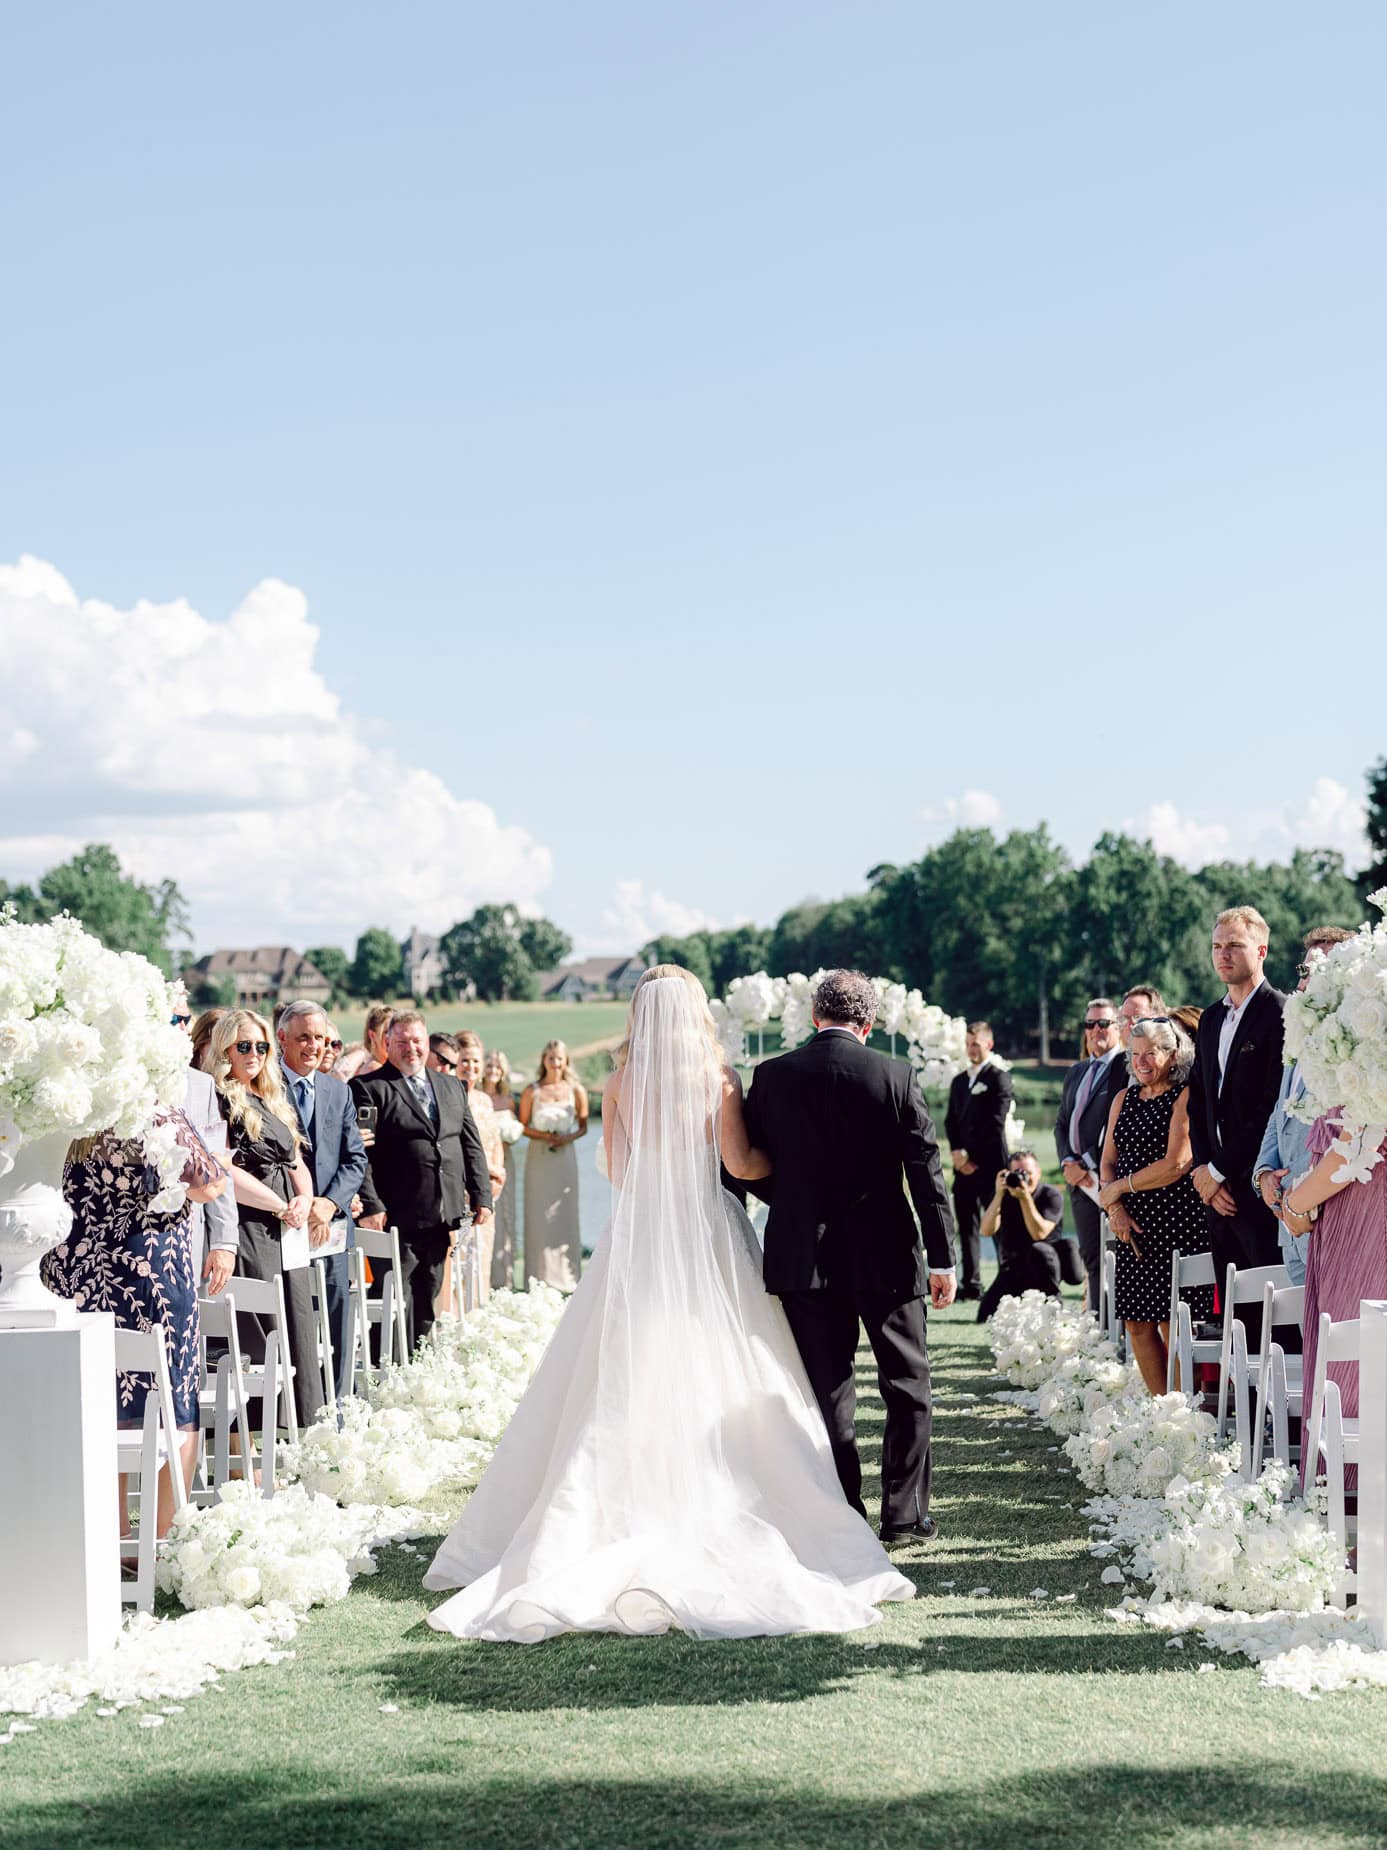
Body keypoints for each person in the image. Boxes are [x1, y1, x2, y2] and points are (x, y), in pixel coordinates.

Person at [423, 965, 915, 1641]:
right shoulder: (716, 1077)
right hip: (707, 1226)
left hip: (640, 1230)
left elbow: (619, 1171)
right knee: (725, 1353)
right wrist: (794, 1170)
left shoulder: (621, 1081)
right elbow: (740, 1165)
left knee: (625, 1362)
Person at [738, 968, 957, 1544]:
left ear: (815, 1016)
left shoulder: (771, 1076)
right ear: (870, 1021)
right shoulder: (895, 1075)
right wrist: (943, 1258)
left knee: (826, 1390)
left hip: (801, 1258)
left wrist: (793, 1201)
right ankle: (904, 1516)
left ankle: (841, 1512)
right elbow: (926, 1176)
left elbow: (751, 1163)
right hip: (885, 1253)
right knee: (907, 1385)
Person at [44, 1110, 227, 1538]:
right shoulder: (156, 1114)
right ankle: (165, 1534)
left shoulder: (69, 1118)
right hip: (153, 1279)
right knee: (172, 1400)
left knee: (98, 1399)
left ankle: (113, 1533)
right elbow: (208, 1183)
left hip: (78, 1277)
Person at [209, 1009, 323, 1432]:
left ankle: (301, 1433)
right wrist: (280, 1205)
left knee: (298, 1325)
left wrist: (305, 1200)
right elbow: (224, 1171)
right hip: (252, 1228)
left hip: (288, 1229)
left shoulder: (268, 1098)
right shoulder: (218, 1097)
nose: (254, 1053)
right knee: (265, 1332)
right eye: (244, 1046)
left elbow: (295, 1159)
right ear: (225, 1049)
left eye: (261, 1046)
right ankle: (257, 1444)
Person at [350, 1011, 493, 1345]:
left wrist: (481, 1193)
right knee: (392, 1298)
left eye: (416, 1041)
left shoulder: (451, 1086)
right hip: (394, 1214)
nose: (410, 1048)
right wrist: (371, 1204)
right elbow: (362, 1153)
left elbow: (469, 1143)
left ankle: (416, 1365)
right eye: (401, 1042)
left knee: (428, 1294)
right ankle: (384, 1371)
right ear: (387, 1044)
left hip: (442, 1212)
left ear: (427, 1043)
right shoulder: (368, 1089)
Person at [1187, 907, 1287, 1351]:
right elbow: (1199, 1104)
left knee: (1276, 1317)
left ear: (1261, 950)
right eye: (1217, 946)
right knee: (1235, 1319)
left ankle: (1284, 1419)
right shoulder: (1210, 1019)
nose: (1223, 954)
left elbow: (1270, 1108)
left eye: (1234, 945)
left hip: (1258, 1189)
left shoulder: (1280, 1013)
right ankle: (1246, 1416)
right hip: (1217, 1195)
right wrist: (1205, 1173)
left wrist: (1222, 1171)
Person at [1097, 1017, 1212, 1394]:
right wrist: (1116, 1209)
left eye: (1152, 1053)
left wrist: (1118, 1188)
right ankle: (1159, 1413)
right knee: (1136, 1324)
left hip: (1177, 1223)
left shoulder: (1185, 1095)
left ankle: (1179, 1414)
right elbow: (1107, 1162)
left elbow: (1177, 1163)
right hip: (1129, 1224)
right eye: (1135, 1054)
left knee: (1173, 1325)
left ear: (1173, 1054)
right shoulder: (1123, 1098)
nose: (1142, 1061)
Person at [1284, 1119, 1387, 1490]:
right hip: (1344, 1225)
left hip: (1368, 1232)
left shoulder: (1371, 1066)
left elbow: (1355, 1147)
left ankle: (1358, 1506)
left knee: (1353, 1369)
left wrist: (1294, 1205)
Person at [1253, 928, 1356, 1289]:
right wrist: (1264, 1173)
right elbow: (1280, 1112)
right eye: (1304, 970)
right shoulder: (1299, 1038)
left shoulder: (1356, 1050)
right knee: (1306, 1339)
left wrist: (1303, 1203)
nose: (1303, 983)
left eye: (1317, 972)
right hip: (1288, 1221)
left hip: (1329, 1220)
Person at [277, 999, 369, 1399]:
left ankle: (339, 1410)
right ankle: (294, 1414)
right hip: (282, 1223)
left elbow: (355, 1158)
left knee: (337, 1320)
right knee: (290, 1321)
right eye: (303, 1038)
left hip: (332, 1227)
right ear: (281, 1038)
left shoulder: (337, 1091)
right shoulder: (264, 1087)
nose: (313, 1046)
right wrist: (303, 1202)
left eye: (320, 1038)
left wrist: (330, 1203)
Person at [1054, 998, 1127, 1311]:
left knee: (1118, 1260)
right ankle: (1098, 1333)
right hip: (1078, 1183)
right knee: (1093, 1259)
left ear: (1118, 1027)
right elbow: (1061, 1123)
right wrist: (1068, 1163)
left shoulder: (1126, 1067)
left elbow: (1120, 1124)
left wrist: (1089, 1167)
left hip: (1108, 1179)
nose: (1096, 1030)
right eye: (1090, 1024)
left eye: (1103, 1023)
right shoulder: (1077, 1070)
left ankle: (1120, 1337)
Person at [173, 997, 239, 1294]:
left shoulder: (201, 1085)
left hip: (189, 1230)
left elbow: (218, 1163)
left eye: (187, 1019)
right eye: (176, 1020)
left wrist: (224, 1242)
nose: (185, 1027)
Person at [943, 1021, 1013, 1299]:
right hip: (963, 1168)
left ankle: (1006, 1277)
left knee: (997, 1223)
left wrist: (972, 1156)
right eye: (967, 1043)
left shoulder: (999, 1079)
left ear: (988, 1044)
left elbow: (995, 1123)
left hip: (992, 1165)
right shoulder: (959, 1081)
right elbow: (950, 1121)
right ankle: (970, 1284)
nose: (970, 1049)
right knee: (965, 1223)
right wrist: (957, 1153)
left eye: (975, 1043)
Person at [519, 1040, 588, 1292]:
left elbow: (583, 1126)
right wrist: (545, 1136)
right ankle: (538, 1276)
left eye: (559, 1058)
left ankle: (569, 1276)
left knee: (564, 1212)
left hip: (565, 1157)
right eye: (550, 1057)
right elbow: (523, 1126)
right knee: (539, 1213)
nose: (555, 1062)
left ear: (565, 1060)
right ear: (543, 1060)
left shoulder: (576, 1090)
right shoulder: (531, 1091)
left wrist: (565, 1138)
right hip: (539, 1156)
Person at [976, 1149, 1070, 1322]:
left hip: (1044, 1265)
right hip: (1014, 1267)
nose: (1023, 1177)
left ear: (1039, 1172)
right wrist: (998, 1195)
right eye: (1018, 1172)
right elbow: (986, 1230)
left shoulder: (1051, 1194)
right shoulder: (1003, 1194)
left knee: (1040, 1250)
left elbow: (1039, 1233)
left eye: (1027, 1172)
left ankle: (1053, 1299)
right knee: (985, 1316)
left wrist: (1025, 1198)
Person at [454, 1030, 506, 1306]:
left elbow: (494, 1141)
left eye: (475, 1062)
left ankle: (478, 1313)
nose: (471, 1068)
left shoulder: (485, 1100)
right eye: (465, 1061)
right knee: (461, 1258)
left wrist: (498, 1174)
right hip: (462, 1187)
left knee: (483, 1255)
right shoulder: (450, 1095)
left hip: (489, 1189)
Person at [482, 1048, 521, 1291]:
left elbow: (515, 1129)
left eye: (498, 1067)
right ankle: (482, 1278)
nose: (493, 1071)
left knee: (506, 1216)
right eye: (490, 1066)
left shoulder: (508, 1101)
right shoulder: (473, 1097)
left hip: (506, 1162)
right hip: (482, 1163)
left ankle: (504, 1277)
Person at [336, 1005, 395, 1081]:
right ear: (372, 1035)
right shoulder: (374, 1070)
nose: (393, 1037)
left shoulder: (383, 1066)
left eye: (396, 1032)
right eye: (387, 1032)